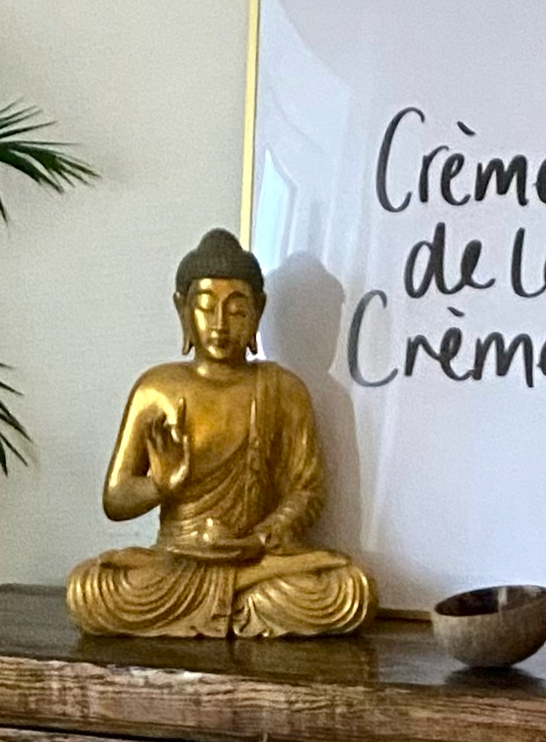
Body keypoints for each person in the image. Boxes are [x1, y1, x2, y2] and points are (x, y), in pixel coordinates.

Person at [67, 229, 375, 638]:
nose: (219, 324)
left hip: (255, 562)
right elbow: (115, 499)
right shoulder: (156, 389)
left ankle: (234, 594)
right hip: (178, 563)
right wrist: (160, 485)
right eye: (206, 307)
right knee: (90, 589)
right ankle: (232, 602)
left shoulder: (284, 389)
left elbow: (307, 491)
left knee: (350, 590)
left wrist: (260, 539)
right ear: (183, 309)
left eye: (236, 310)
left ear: (258, 312)